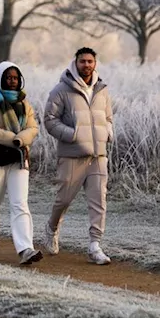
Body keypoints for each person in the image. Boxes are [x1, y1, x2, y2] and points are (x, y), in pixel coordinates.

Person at [42, 47, 113, 265]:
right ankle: (52, 229)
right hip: (72, 156)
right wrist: (72, 135)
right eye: (83, 61)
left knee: (99, 201)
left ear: (95, 63)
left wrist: (108, 133)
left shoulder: (102, 90)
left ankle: (95, 246)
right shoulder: (61, 90)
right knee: (63, 199)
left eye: (90, 61)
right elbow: (49, 119)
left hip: (98, 156)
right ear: (76, 63)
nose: (87, 65)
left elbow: (108, 117)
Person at [0, 61, 43, 265]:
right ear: (0, 78)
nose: (12, 81)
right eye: (8, 77)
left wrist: (19, 141)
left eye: (15, 77)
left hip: (19, 159)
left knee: (20, 204)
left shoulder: (25, 103)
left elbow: (33, 128)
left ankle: (25, 249)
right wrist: (13, 138)